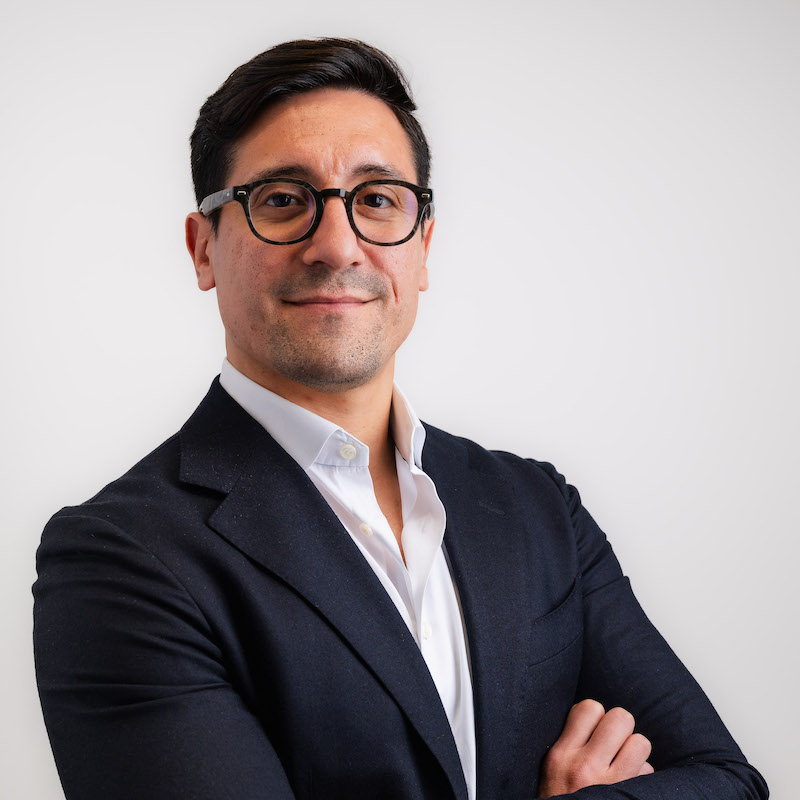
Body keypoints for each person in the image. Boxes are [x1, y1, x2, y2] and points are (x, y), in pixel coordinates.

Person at [33, 38, 768, 800]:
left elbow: (728, 783)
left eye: (377, 200)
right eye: (282, 199)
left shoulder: (539, 509)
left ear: (423, 248)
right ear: (203, 250)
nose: (337, 245)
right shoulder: (121, 558)